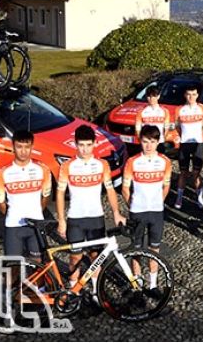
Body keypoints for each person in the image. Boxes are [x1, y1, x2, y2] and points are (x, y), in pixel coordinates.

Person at [56, 125, 126, 293]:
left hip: (96, 218)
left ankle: (95, 292)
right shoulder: (67, 166)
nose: (85, 149)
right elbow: (60, 193)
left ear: (94, 143)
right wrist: (61, 220)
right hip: (75, 218)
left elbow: (110, 189)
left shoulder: (102, 164)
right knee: (75, 257)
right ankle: (73, 291)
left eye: (88, 145)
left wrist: (116, 213)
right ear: (75, 144)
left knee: (96, 257)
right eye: (81, 145)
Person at [121, 125, 172, 295]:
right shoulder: (132, 162)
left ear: (158, 142)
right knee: (136, 248)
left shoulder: (165, 161)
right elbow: (125, 188)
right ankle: (137, 282)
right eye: (145, 141)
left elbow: (166, 185)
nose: (148, 145)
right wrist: (132, 206)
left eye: (152, 141)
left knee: (154, 248)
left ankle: (153, 285)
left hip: (156, 212)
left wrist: (159, 201)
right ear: (140, 141)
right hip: (137, 212)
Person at [0, 130, 52, 262]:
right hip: (13, 225)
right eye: (19, 147)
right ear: (13, 147)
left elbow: (45, 197)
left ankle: (38, 278)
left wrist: (36, 212)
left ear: (32, 147)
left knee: (38, 263)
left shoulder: (43, 169)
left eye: (27, 147)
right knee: (13, 265)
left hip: (36, 224)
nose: (23, 151)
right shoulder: (3, 172)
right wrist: (12, 214)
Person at [174, 85, 203, 210]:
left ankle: (200, 199)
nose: (191, 97)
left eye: (194, 94)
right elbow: (177, 127)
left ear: (197, 95)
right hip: (184, 144)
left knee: (196, 173)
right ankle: (179, 198)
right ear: (185, 95)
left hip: (198, 144)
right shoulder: (179, 109)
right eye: (189, 94)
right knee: (183, 173)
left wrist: (197, 137)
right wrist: (184, 137)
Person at [135, 85, 172, 154]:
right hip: (146, 143)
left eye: (154, 96)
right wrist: (141, 141)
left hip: (159, 142)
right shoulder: (141, 112)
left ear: (158, 96)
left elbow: (166, 128)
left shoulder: (164, 111)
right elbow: (138, 129)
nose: (151, 99)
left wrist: (163, 139)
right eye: (149, 96)